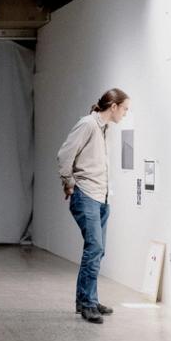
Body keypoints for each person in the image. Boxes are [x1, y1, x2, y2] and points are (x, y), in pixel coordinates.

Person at [57, 88, 129, 323]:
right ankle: (87, 304)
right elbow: (64, 154)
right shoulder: (88, 124)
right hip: (86, 195)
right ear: (113, 107)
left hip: (102, 197)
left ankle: (88, 299)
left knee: (97, 250)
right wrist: (68, 183)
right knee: (94, 248)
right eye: (125, 109)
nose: (126, 114)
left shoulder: (106, 129)